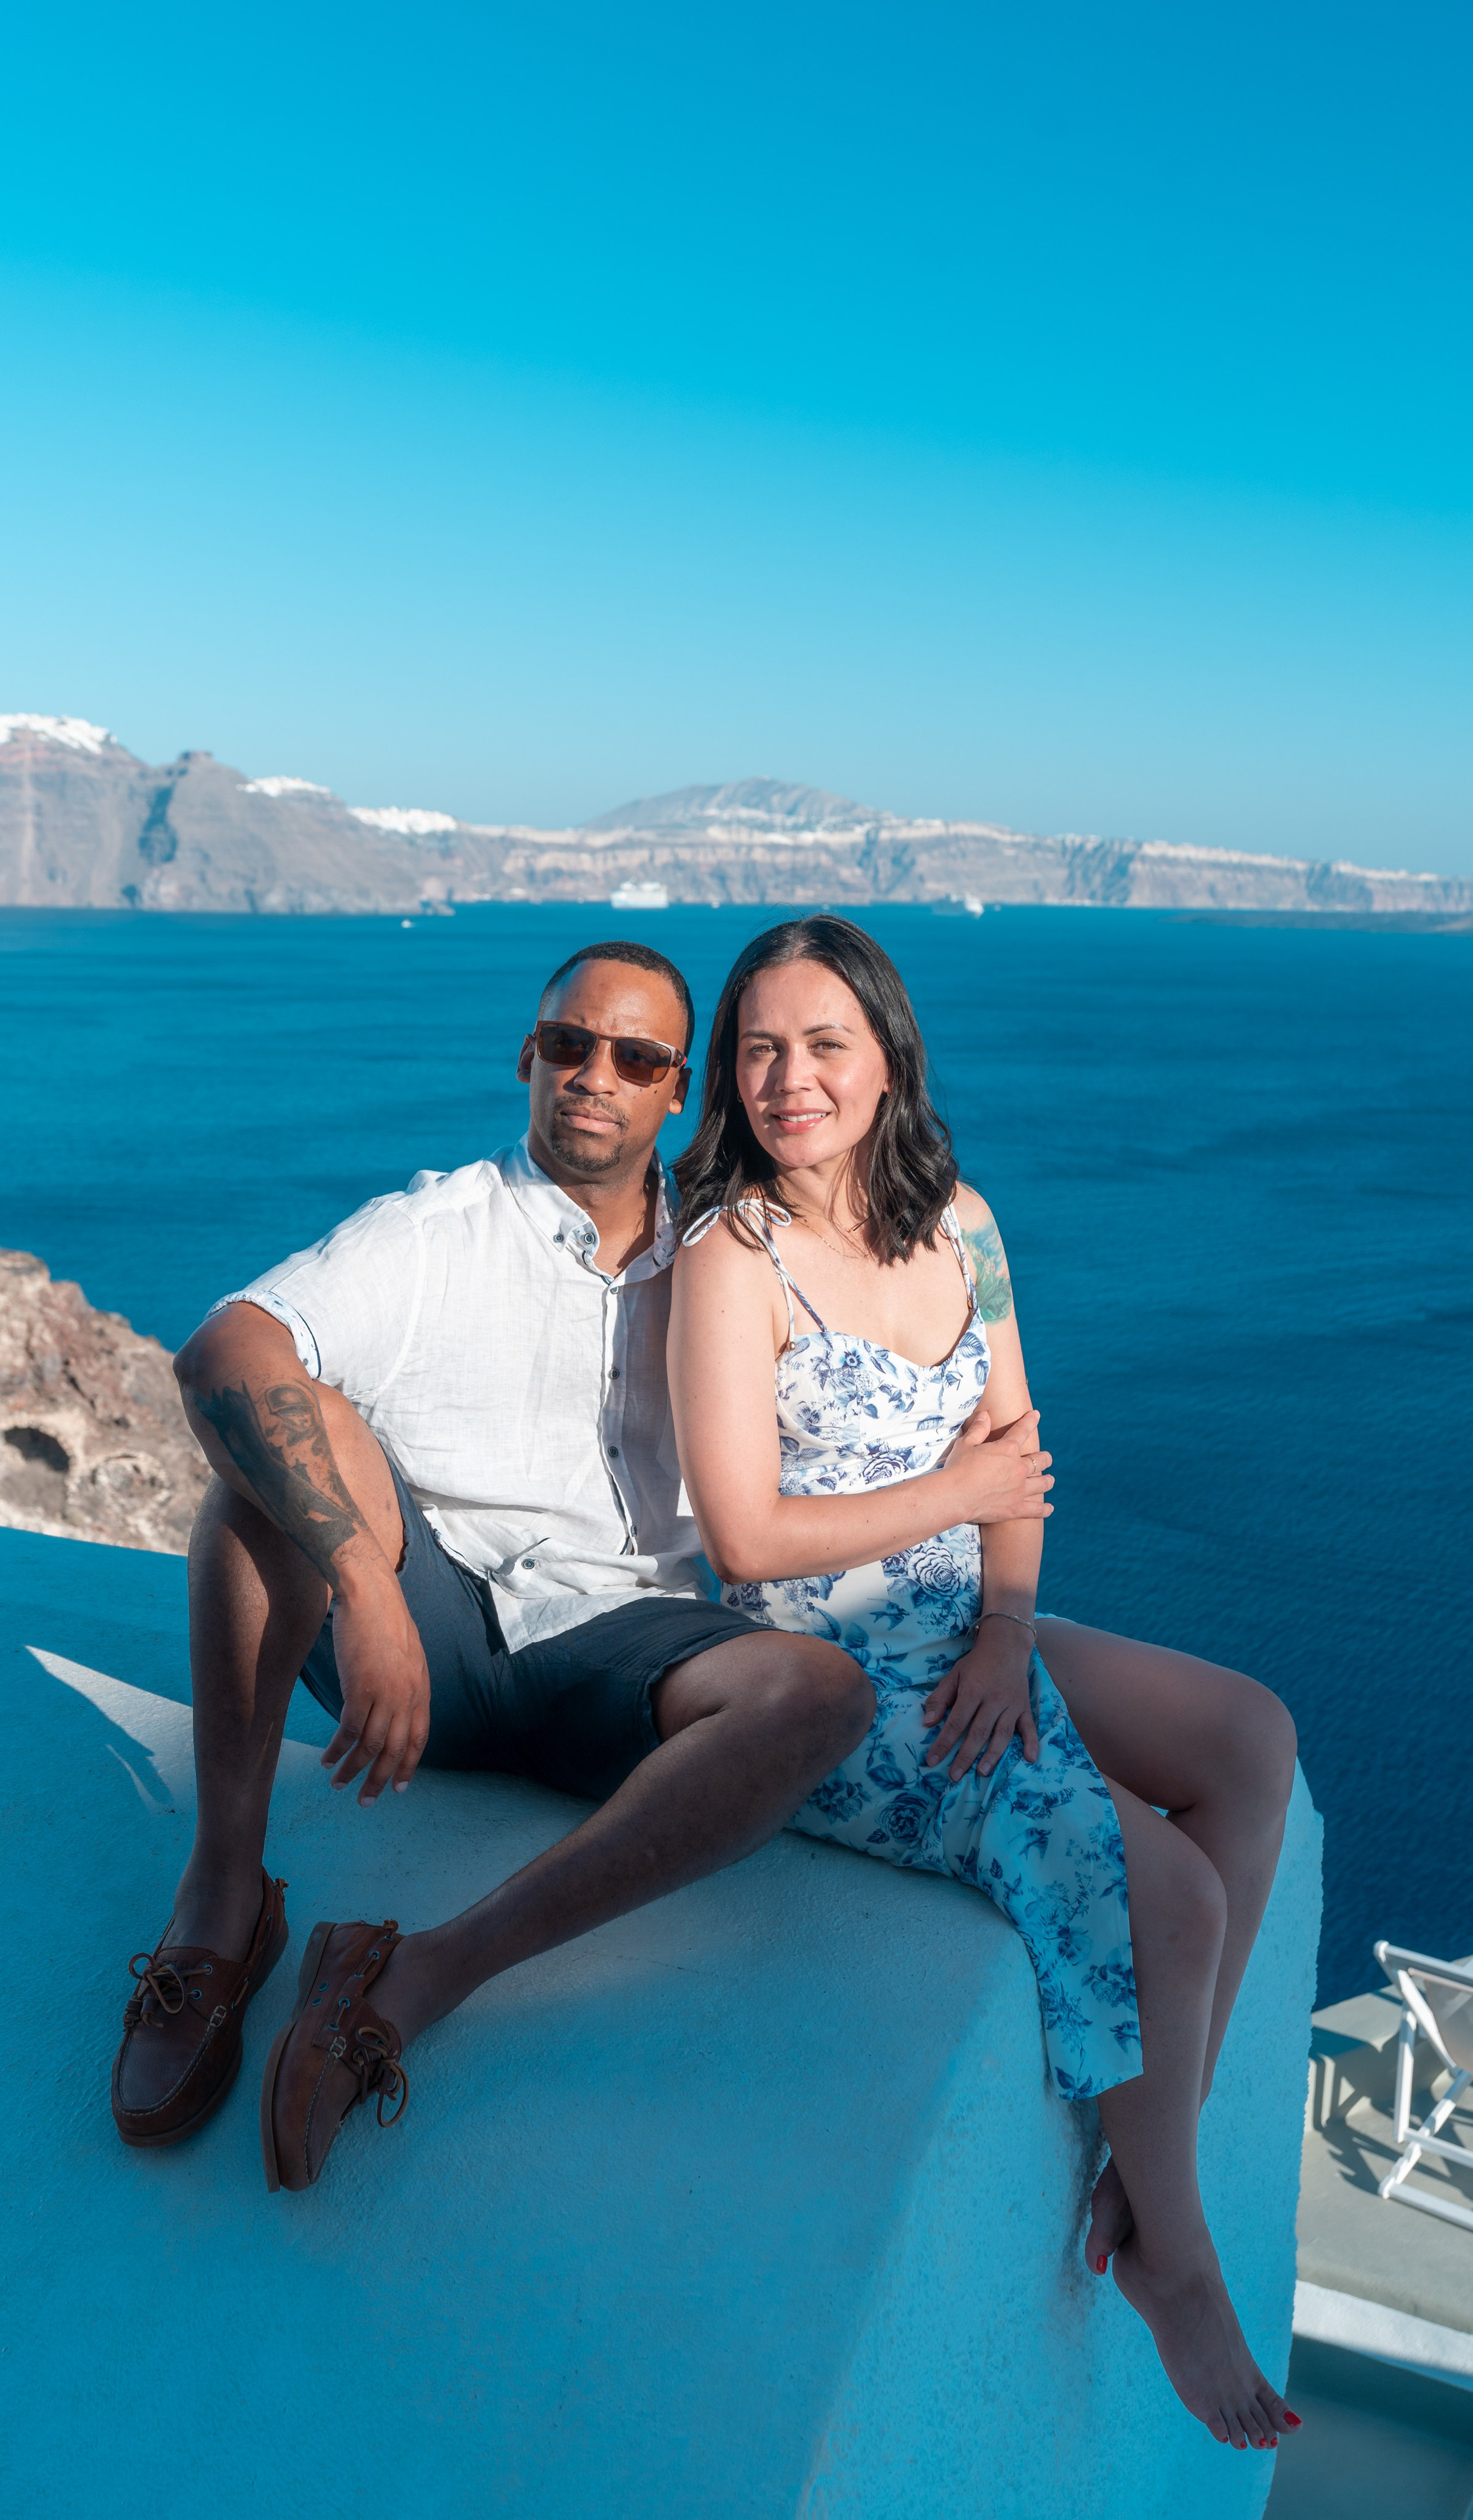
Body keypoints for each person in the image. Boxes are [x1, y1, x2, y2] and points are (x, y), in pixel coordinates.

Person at [667, 914, 1302, 2454]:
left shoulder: (961, 1222)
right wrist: (957, 1502)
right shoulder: (726, 1260)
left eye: (822, 1043)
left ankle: (1147, 2177)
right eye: (757, 1045)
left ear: (887, 1055)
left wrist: (1008, 1628)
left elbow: (1019, 1457)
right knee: (1169, 1892)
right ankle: (1178, 2256)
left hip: (968, 1624)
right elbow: (749, 1537)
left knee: (1245, 1736)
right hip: (817, 1663)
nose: (786, 1077)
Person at [110, 937, 873, 2191]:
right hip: (426, 1646)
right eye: (570, 1046)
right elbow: (221, 1351)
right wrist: (366, 1591)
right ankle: (223, 1899)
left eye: (636, 1058)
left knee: (820, 1697)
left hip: (622, 1656)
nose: (595, 1075)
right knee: (270, 1454)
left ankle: (423, 1973)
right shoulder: (436, 1231)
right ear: (529, 1059)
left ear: (679, 1091)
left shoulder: (730, 1255)